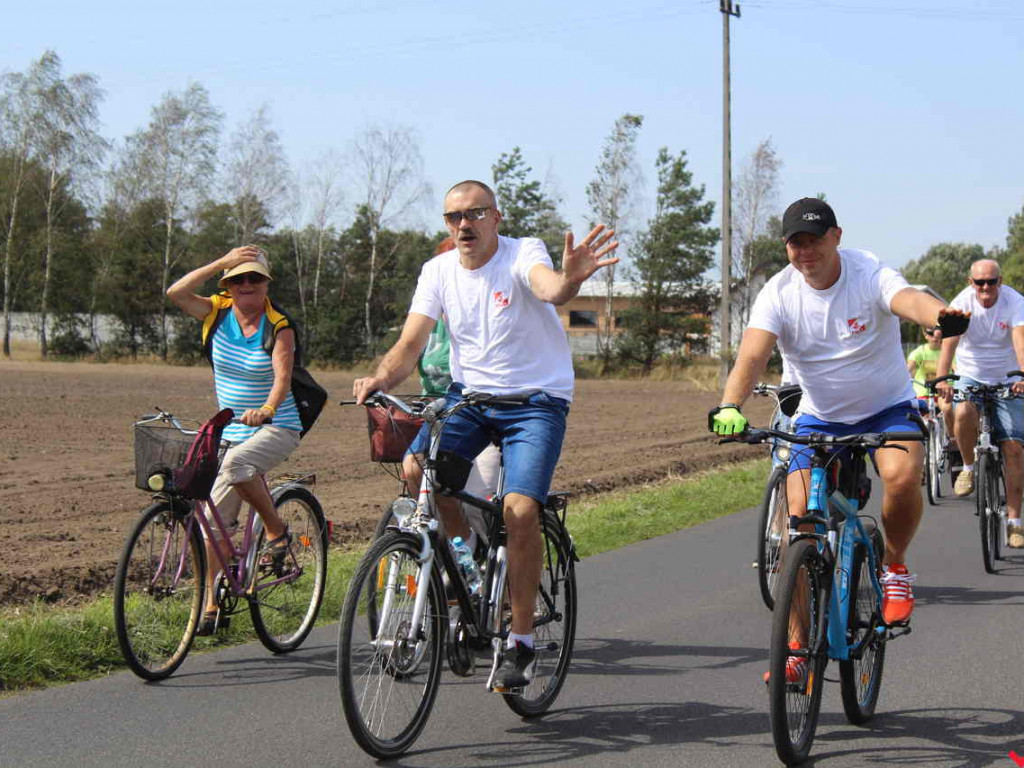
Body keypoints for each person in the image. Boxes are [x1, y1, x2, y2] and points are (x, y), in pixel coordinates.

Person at [354, 179, 618, 689]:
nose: (464, 225)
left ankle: (519, 642)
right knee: (415, 470)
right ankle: (465, 561)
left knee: (520, 510)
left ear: (495, 218)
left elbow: (549, 288)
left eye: (475, 214)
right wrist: (382, 378)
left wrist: (570, 281)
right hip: (469, 397)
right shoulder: (437, 270)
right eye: (454, 217)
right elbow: (411, 342)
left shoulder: (523, 253)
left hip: (535, 402)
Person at [708, 197, 969, 681]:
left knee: (903, 476)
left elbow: (908, 299)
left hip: (886, 406)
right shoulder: (779, 293)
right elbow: (751, 354)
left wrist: (938, 315)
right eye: (795, 242)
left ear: (836, 237)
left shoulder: (867, 271)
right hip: (818, 418)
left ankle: (894, 568)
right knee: (798, 529)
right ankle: (794, 648)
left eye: (814, 240)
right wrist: (730, 404)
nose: (805, 251)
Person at [167, 246, 303, 634]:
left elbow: (282, 379)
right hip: (228, 429)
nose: (246, 285)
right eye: (238, 278)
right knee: (210, 520)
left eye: (255, 278)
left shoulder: (279, 325)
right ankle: (211, 604)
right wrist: (217, 262)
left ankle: (276, 531)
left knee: (238, 465)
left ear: (266, 284)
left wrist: (268, 409)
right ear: (227, 283)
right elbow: (175, 293)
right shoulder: (216, 311)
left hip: (276, 426)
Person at [403, 236, 501, 540]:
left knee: (477, 502)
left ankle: (483, 561)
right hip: (438, 418)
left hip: (479, 412)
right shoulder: (428, 323)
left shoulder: (486, 318)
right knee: (414, 470)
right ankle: (450, 550)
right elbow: (405, 352)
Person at [935, 259, 1024, 548]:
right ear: (970, 282)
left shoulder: (1014, 302)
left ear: (1000, 281)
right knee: (962, 411)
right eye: (979, 282)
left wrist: (1023, 375)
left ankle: (1014, 523)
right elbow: (949, 342)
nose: (986, 288)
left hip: (1007, 377)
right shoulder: (961, 303)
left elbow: (1020, 340)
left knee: (1013, 449)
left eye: (992, 282)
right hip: (971, 375)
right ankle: (969, 469)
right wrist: (942, 380)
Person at [906, 324, 954, 435]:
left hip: (943, 394)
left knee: (947, 409)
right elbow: (909, 368)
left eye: (938, 333)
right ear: (925, 335)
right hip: (923, 394)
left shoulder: (948, 353)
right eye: (931, 334)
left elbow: (958, 368)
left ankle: (952, 440)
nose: (935, 337)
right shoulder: (919, 352)